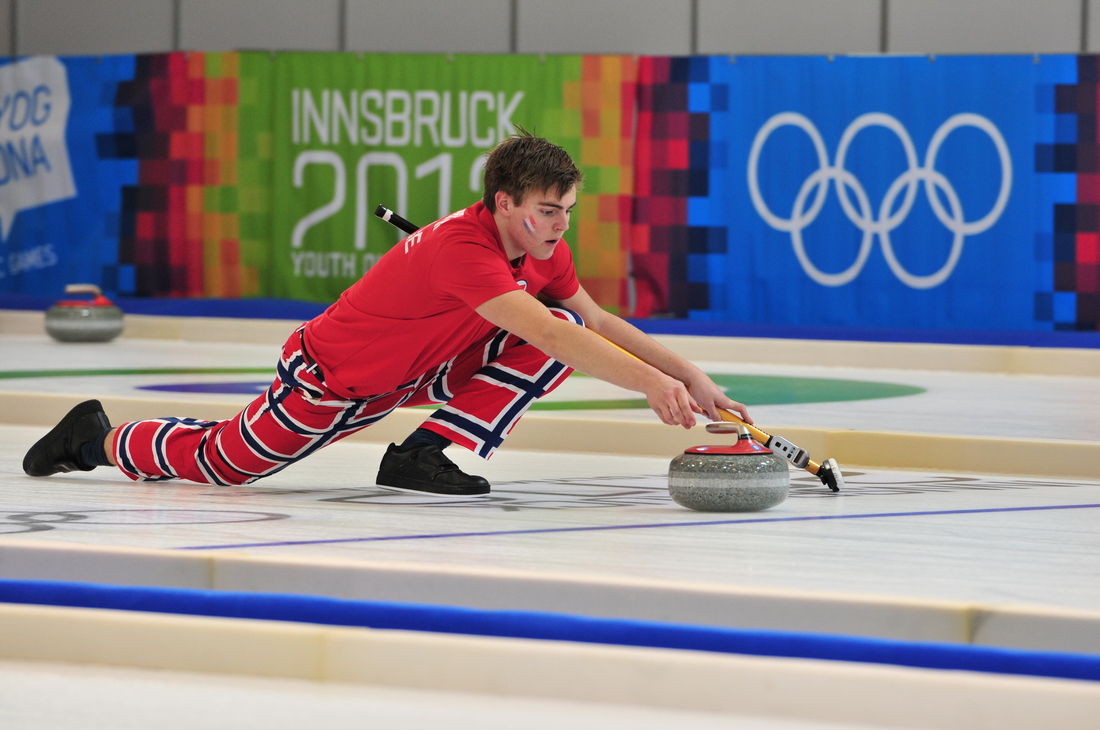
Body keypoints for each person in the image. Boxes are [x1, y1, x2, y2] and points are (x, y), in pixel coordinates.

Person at [23, 131, 751, 495]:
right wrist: (652, 388)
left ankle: (419, 454)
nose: (561, 226)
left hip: (417, 375)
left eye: (566, 211)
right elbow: (544, 328)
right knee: (222, 463)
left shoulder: (539, 247)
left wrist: (689, 373)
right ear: (504, 203)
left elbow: (591, 322)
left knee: (558, 337)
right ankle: (97, 438)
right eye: (547, 212)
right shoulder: (464, 250)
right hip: (333, 377)